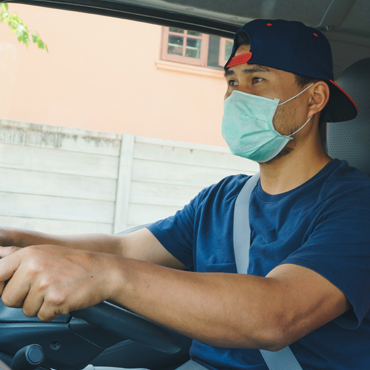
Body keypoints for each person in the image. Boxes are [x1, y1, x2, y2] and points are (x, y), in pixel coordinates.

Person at [1, 19, 370, 370]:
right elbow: (124, 249)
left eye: (257, 79)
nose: (237, 96)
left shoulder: (356, 205)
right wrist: (17, 241)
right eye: (231, 81)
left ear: (315, 98)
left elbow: (276, 316)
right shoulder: (223, 199)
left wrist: (104, 275)